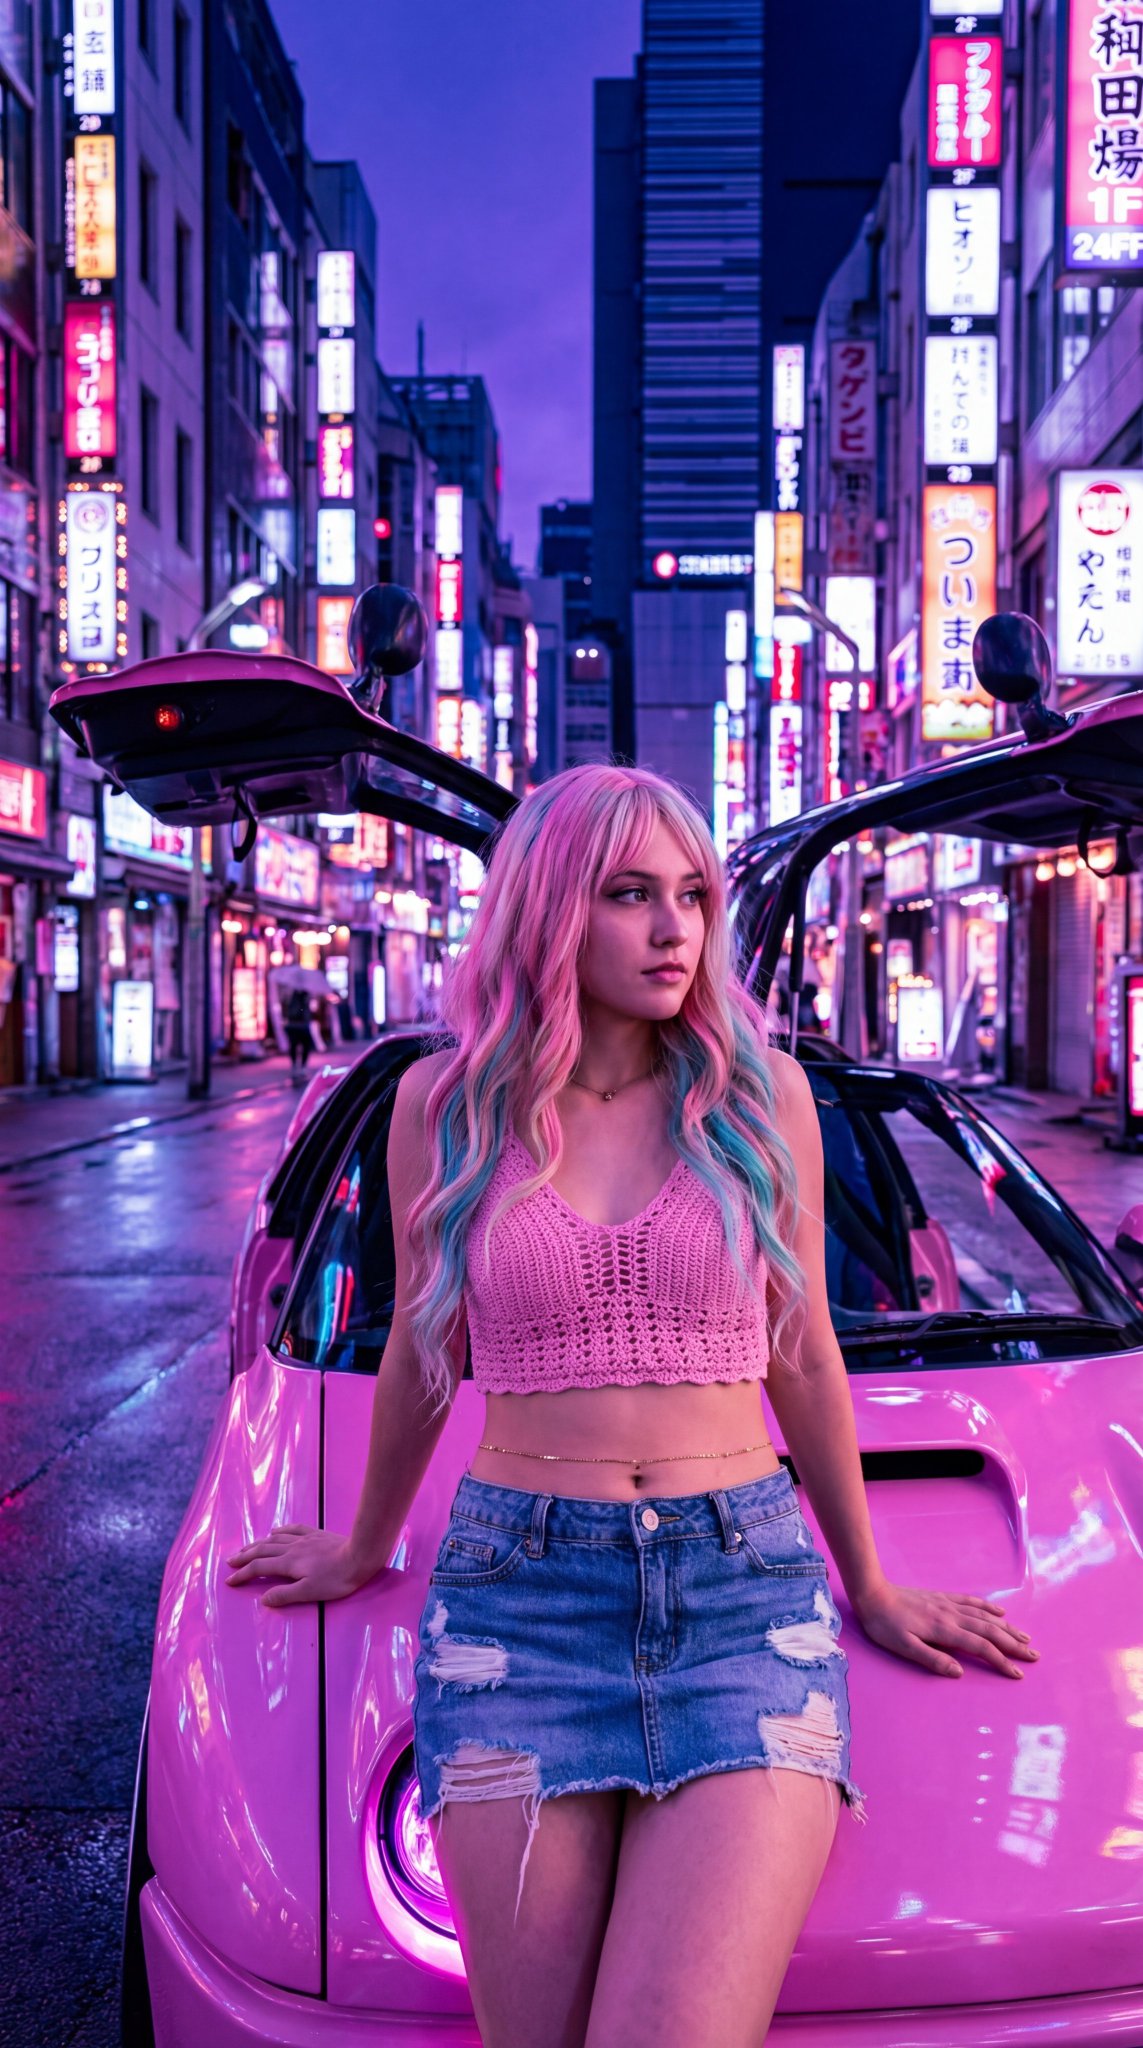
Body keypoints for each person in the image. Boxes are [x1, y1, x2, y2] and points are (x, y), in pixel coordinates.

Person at [227, 765, 1038, 2047]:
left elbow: (806, 1352)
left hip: (741, 1597)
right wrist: (363, 1541)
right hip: (517, 1607)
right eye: (630, 894)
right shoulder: (443, 1106)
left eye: (694, 897)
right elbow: (423, 1351)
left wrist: (867, 1580)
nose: (676, 930)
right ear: (551, 908)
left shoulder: (758, 1095)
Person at [282, 982, 315, 1079]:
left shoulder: (290, 995)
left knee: (294, 1045)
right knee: (304, 1046)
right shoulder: (304, 997)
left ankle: (296, 1065)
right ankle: (302, 1066)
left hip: (293, 1025)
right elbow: (306, 1011)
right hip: (301, 1025)